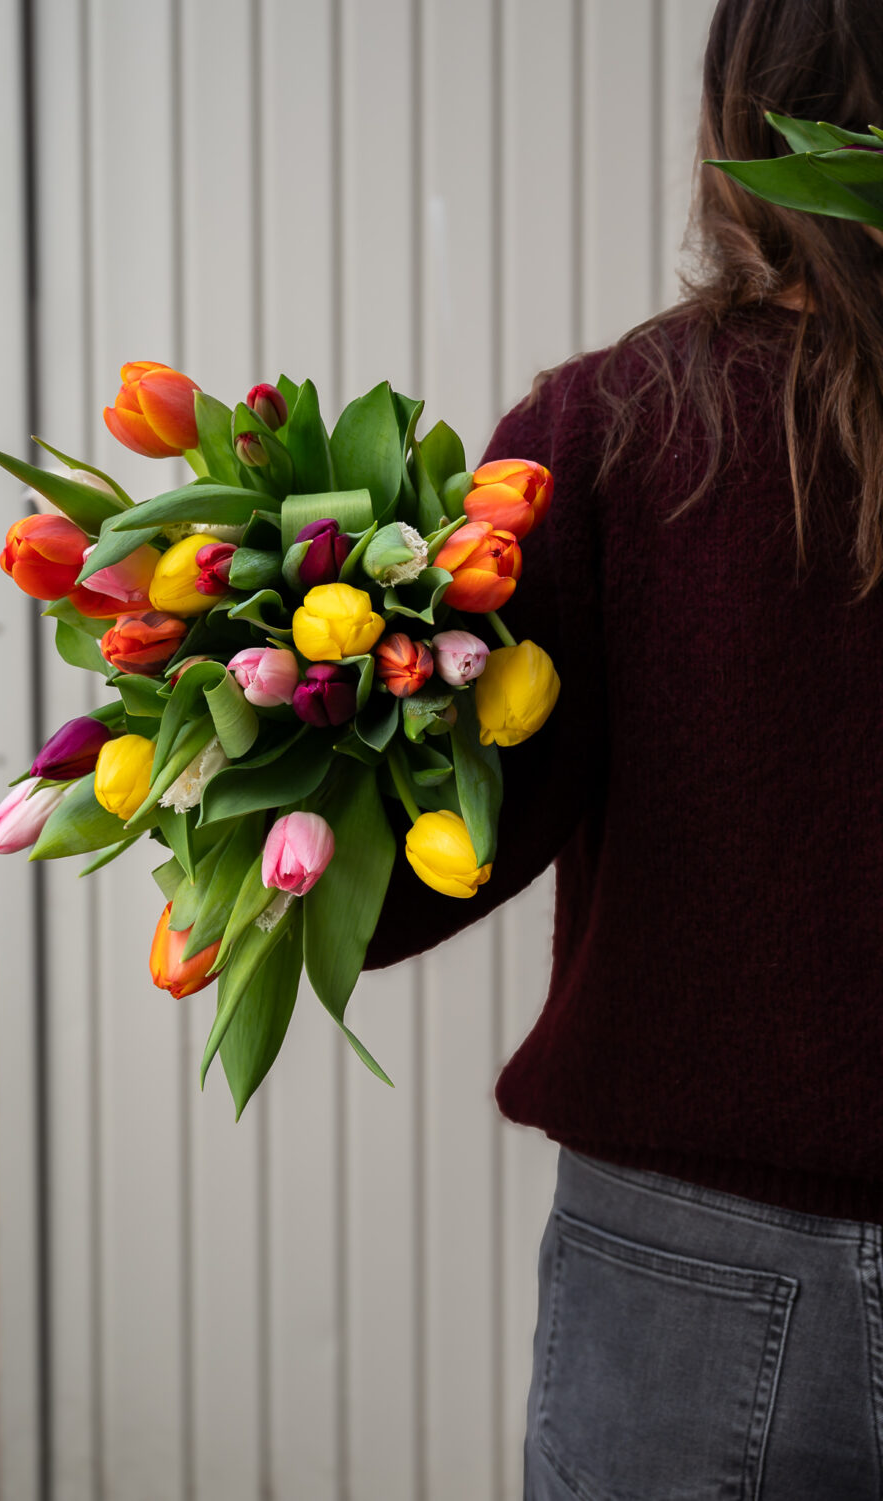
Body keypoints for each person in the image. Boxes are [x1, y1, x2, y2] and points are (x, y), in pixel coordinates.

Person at [362, 0, 883, 1493]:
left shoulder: (615, 431)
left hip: (687, 1278)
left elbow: (427, 867)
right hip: (684, 1272)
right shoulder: (619, 434)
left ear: (739, 121)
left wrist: (276, 752)